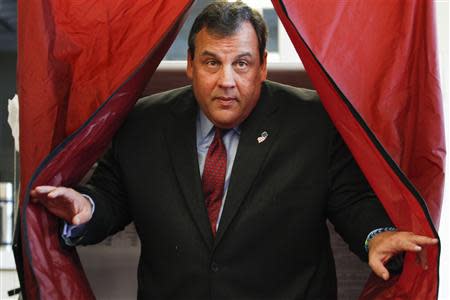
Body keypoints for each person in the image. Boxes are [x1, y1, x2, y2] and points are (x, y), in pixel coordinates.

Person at [31, 1, 438, 299]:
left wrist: (376, 236)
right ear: (190, 64)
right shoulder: (142, 123)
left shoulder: (312, 121)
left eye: (241, 64)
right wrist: (86, 208)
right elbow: (113, 195)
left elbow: (351, 200)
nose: (227, 80)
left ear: (262, 66)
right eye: (212, 63)